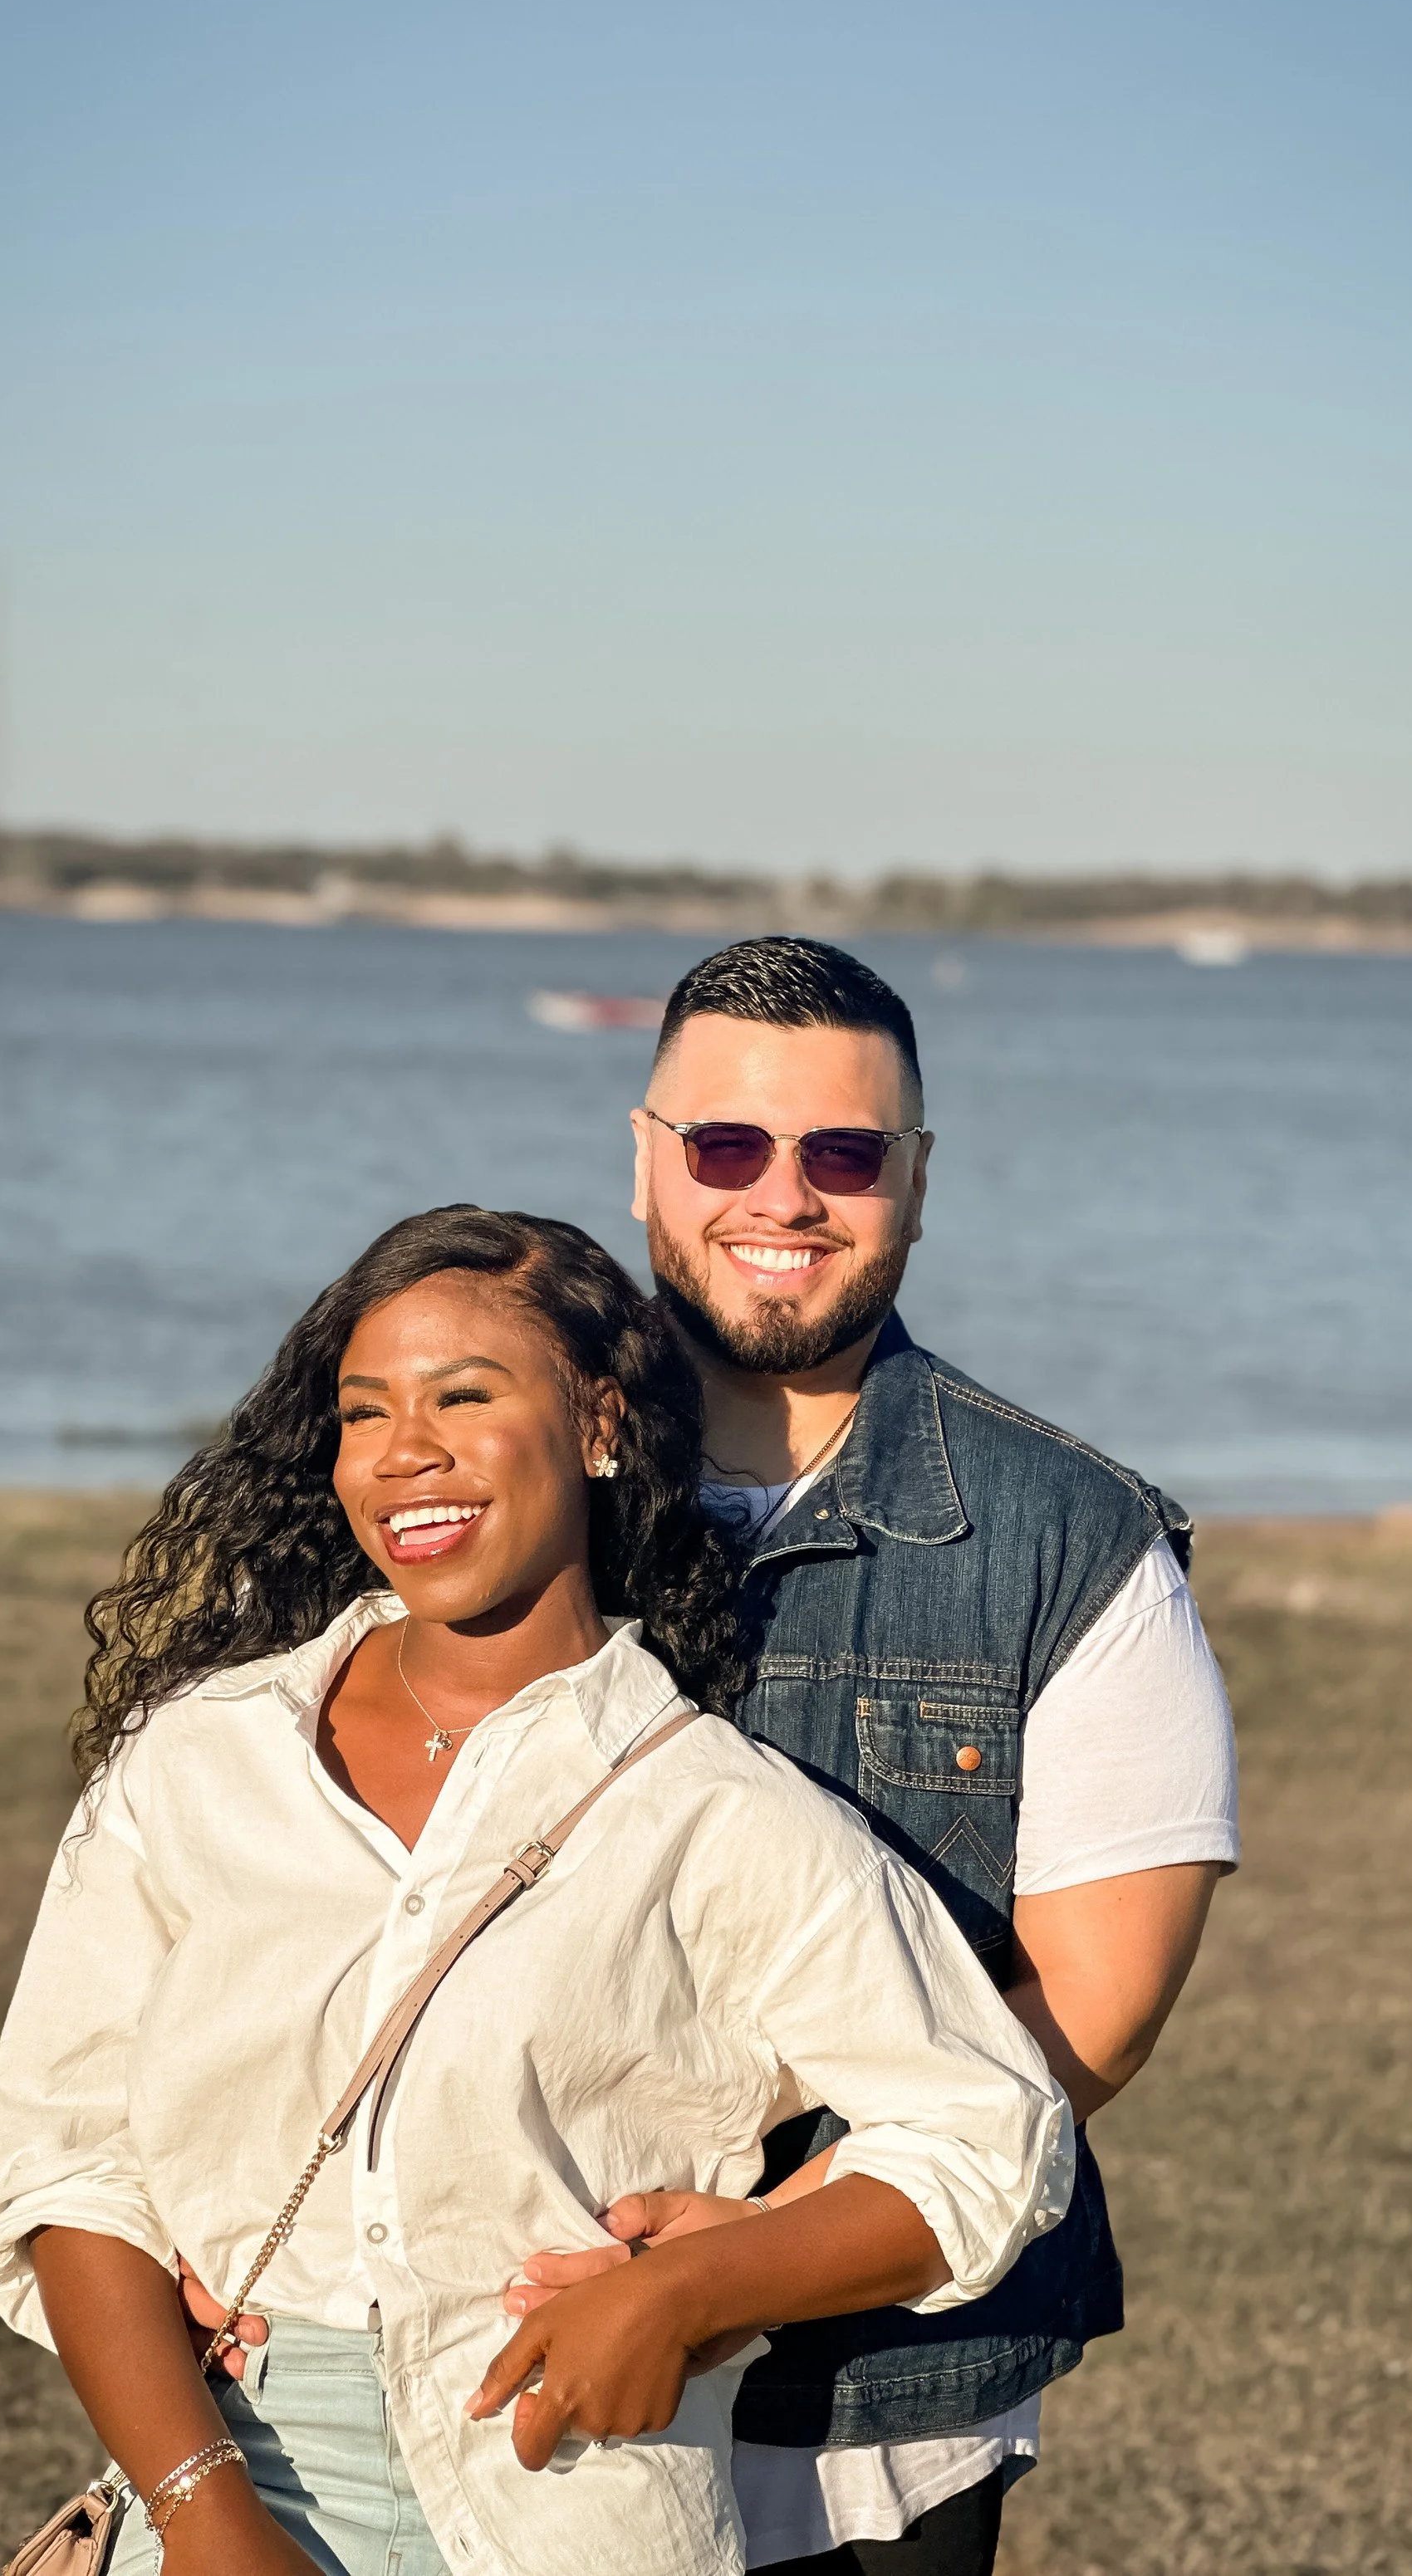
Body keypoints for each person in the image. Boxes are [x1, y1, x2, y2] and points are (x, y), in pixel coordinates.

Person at [0, 1205, 1070, 2576]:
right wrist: (204, 2515)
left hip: (576, 2497)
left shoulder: (712, 1810)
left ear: (599, 1424)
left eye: (464, 1397)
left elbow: (985, 2134)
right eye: (365, 1414)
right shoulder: (199, 1760)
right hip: (225, 2476)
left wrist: (688, 2293)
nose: (403, 1452)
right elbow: (63, 2164)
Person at [491, 937, 1242, 2575]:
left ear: (913, 1179)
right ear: (644, 1159)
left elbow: (1091, 2012)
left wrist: (757, 2249)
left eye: (841, 1153)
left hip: (880, 2403)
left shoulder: (1075, 1541)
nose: (783, 1196)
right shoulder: (498, 1483)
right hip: (494, 2347)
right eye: (726, 1147)